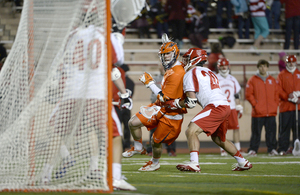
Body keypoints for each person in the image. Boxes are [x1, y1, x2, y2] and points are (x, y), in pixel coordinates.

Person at [40, 25, 136, 191]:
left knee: (57, 133)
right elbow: (116, 64)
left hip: (71, 92)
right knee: (115, 135)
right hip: (95, 92)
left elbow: (62, 63)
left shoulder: (72, 35)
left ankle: (45, 176)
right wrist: (123, 93)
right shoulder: (105, 35)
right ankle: (115, 177)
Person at [165, 48, 252, 172]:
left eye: (187, 58)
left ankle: (194, 163)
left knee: (191, 131)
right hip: (225, 106)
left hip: (215, 106)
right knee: (219, 139)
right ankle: (243, 162)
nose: (184, 61)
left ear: (194, 59)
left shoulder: (191, 73)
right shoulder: (208, 71)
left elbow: (191, 102)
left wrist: (175, 103)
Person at [122, 34, 187, 171]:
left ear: (175, 53)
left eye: (168, 54)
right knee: (132, 123)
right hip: (160, 107)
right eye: (164, 55)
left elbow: (165, 97)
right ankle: (139, 148)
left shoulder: (177, 72)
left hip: (171, 113)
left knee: (155, 141)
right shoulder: (172, 69)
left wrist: (150, 83)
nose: (165, 57)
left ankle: (155, 162)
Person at [245, 59, 279, 156]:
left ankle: (272, 149)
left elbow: (277, 94)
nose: (263, 68)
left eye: (264, 66)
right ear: (258, 67)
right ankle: (253, 149)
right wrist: (256, 106)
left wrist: (275, 105)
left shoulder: (273, 80)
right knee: (256, 133)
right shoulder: (252, 80)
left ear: (267, 67)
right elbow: (249, 95)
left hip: (271, 112)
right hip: (258, 113)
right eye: (261, 66)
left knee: (271, 133)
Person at [147, 63, 177, 157]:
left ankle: (171, 150)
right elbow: (153, 94)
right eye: (161, 67)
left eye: (163, 67)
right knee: (153, 129)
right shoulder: (155, 79)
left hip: (167, 107)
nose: (161, 68)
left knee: (169, 129)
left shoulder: (172, 78)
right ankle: (151, 150)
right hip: (156, 107)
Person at [216, 58, 244, 156]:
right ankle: (223, 149)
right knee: (222, 130)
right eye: (222, 65)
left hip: (231, 107)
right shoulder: (215, 78)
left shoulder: (232, 79)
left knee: (236, 128)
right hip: (221, 107)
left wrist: (239, 105)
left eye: (225, 65)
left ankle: (238, 148)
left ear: (228, 66)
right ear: (219, 66)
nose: (224, 67)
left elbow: (236, 94)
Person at [277, 55, 300, 155]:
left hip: (298, 107)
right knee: (284, 129)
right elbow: (278, 89)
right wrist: (288, 97)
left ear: (296, 62)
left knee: (298, 129)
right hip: (285, 107)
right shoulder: (281, 75)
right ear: (286, 63)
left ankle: (297, 149)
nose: (291, 64)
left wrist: (298, 94)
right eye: (289, 62)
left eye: (293, 62)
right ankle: (283, 148)